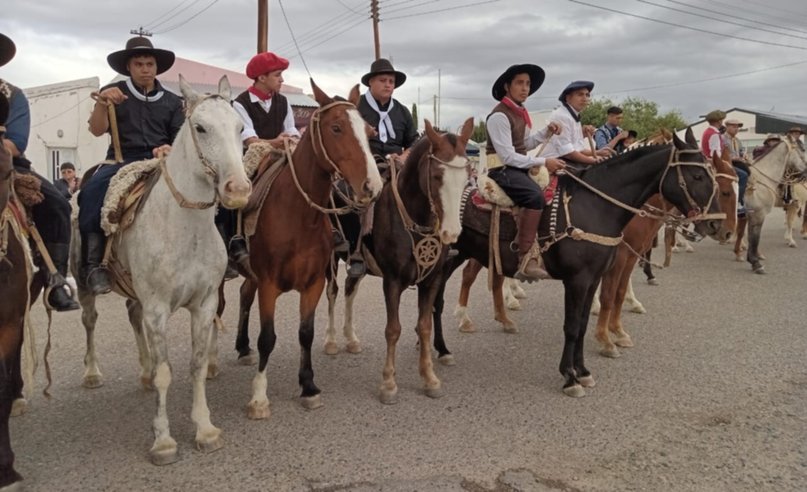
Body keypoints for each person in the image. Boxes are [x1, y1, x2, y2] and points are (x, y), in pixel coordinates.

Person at [78, 36, 184, 295]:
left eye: (150, 64)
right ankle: (94, 265)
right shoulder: (112, 93)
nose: (146, 69)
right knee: (92, 192)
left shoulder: (172, 101)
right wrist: (103, 102)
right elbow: (96, 130)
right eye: (139, 64)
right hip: (121, 160)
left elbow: (180, 137)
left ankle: (218, 248)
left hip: (162, 160)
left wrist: (170, 148)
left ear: (157, 67)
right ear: (129, 67)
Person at [0, 32, 78, 311]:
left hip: (6, 162)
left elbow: (15, 143)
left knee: (57, 205)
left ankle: (54, 280)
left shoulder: (13, 95)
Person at [223, 51, 301, 278]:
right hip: (252, 158)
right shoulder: (240, 104)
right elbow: (250, 139)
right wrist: (276, 142)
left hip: (281, 154)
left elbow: (292, 130)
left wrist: (289, 140)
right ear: (261, 78)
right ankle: (235, 240)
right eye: (277, 75)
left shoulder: (283, 101)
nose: (282, 80)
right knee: (236, 193)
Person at [484, 64, 565, 281]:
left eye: (528, 84)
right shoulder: (499, 116)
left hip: (515, 167)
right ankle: (526, 257)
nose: (525, 88)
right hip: (501, 170)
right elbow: (508, 156)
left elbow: (524, 143)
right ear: (507, 86)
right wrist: (544, 161)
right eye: (520, 83)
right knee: (534, 196)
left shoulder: (519, 113)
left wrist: (546, 131)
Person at [346, 58, 418, 277]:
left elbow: (413, 140)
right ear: (371, 83)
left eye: (391, 81)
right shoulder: (357, 107)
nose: (388, 85)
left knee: (426, 187)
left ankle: (428, 240)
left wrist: (405, 155)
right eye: (383, 80)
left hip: (399, 162)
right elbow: (346, 138)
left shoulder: (402, 111)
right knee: (355, 197)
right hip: (366, 162)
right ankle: (355, 250)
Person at [542, 80, 607, 165]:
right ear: (568, 98)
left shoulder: (574, 116)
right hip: (553, 164)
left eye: (587, 95)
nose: (585, 98)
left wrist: (598, 153)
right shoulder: (562, 116)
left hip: (566, 161)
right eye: (580, 94)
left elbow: (578, 149)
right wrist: (594, 161)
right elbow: (568, 153)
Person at [722, 118, 750, 216]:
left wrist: (744, 156)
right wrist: (735, 158)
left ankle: (745, 198)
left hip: (737, 162)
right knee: (744, 175)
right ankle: (737, 202)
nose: (736, 129)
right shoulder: (722, 139)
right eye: (734, 126)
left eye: (737, 127)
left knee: (751, 171)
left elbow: (741, 151)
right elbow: (723, 154)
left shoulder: (737, 140)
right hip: (727, 164)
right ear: (727, 127)